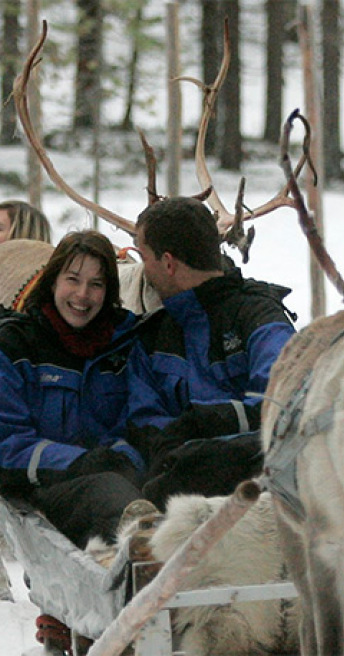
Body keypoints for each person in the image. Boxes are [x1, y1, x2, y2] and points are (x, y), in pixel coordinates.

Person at [0, 230, 144, 550]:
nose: (82, 295)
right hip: (46, 489)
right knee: (109, 493)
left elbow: (144, 416)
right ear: (52, 281)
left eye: (96, 284)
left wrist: (124, 457)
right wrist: (78, 462)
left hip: (126, 478)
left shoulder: (128, 344)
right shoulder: (11, 350)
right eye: (72, 280)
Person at [126, 196, 297, 508]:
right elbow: (145, 422)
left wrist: (203, 427)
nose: (143, 271)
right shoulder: (151, 338)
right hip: (176, 485)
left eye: (144, 258)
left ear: (167, 263)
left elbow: (284, 402)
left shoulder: (259, 318)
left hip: (264, 483)